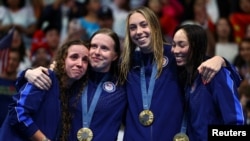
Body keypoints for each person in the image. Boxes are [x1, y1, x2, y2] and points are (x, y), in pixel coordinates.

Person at [118, 6, 228, 141]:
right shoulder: (125, 63)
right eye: (133, 27)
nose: (139, 31)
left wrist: (221, 60)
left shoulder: (175, 54)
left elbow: (206, 64)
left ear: (154, 26)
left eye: (144, 25)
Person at [16, 28, 127, 141]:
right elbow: (20, 104)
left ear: (115, 56)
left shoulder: (123, 86)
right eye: (93, 46)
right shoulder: (74, 78)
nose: (97, 52)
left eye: (104, 48)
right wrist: (26, 73)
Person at [0, 39, 89, 141]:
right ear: (63, 59)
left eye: (85, 60)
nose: (80, 63)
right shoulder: (44, 77)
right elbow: (17, 113)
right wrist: (43, 139)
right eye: (74, 57)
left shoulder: (72, 92)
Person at [171, 24, 245, 141]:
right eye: (174, 45)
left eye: (182, 45)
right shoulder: (185, 77)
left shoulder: (216, 74)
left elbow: (236, 123)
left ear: (196, 46)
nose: (175, 50)